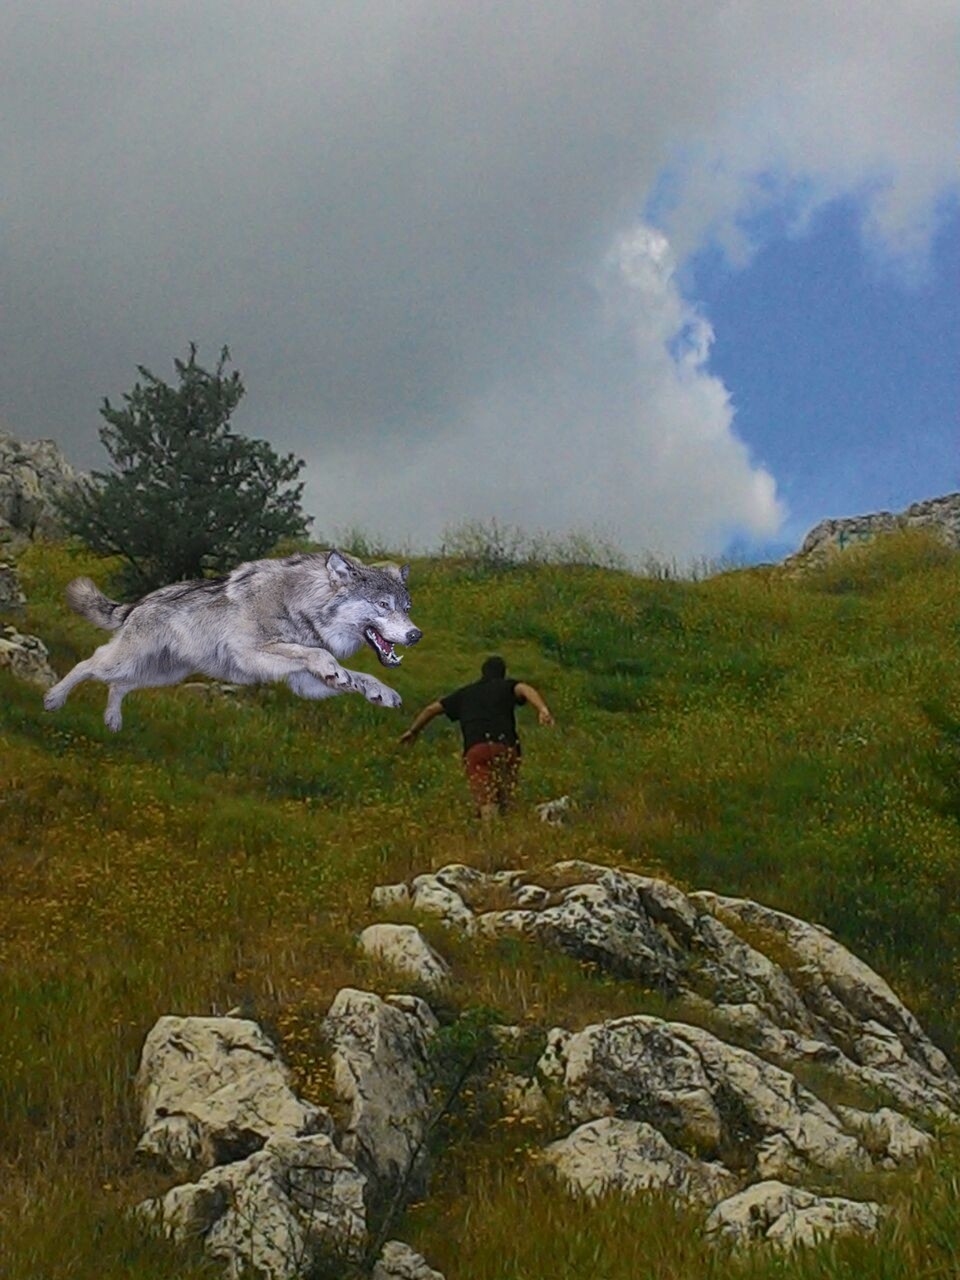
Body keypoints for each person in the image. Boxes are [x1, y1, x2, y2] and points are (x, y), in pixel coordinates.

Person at [400, 655, 554, 821]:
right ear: (503, 673)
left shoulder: (466, 693)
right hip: (506, 748)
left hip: (477, 750)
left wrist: (413, 731)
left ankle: (492, 838)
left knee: (487, 800)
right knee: (507, 796)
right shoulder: (506, 686)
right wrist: (542, 709)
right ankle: (509, 833)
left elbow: (431, 709)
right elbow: (524, 689)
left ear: (482, 672)